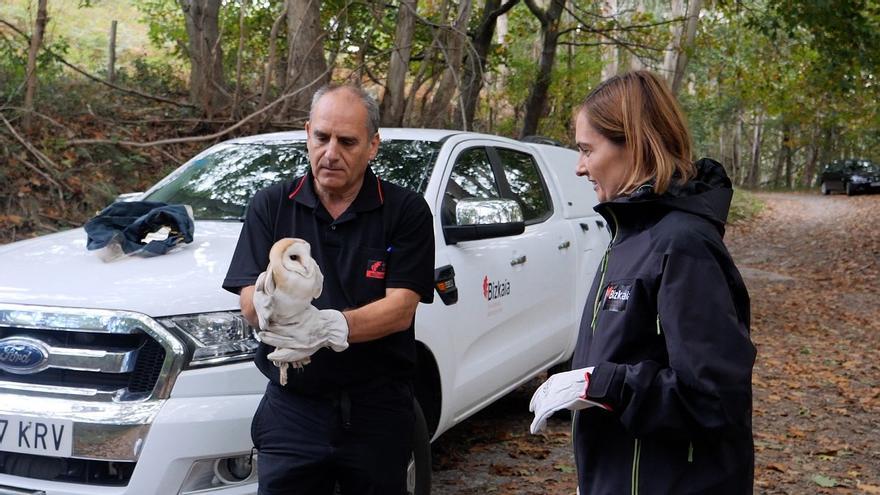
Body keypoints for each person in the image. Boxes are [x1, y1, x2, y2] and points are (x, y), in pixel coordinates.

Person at [529, 70, 756, 494]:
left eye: (586, 150)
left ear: (633, 143)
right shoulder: (628, 235)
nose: (578, 167)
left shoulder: (683, 245)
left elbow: (715, 398)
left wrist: (602, 385)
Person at [222, 84, 435, 494]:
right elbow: (247, 294)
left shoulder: (405, 211)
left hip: (377, 409)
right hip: (293, 409)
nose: (331, 152)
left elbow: (401, 308)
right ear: (307, 134)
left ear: (373, 145)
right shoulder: (272, 205)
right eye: (321, 137)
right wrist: (264, 306)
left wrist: (327, 326)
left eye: (347, 141)